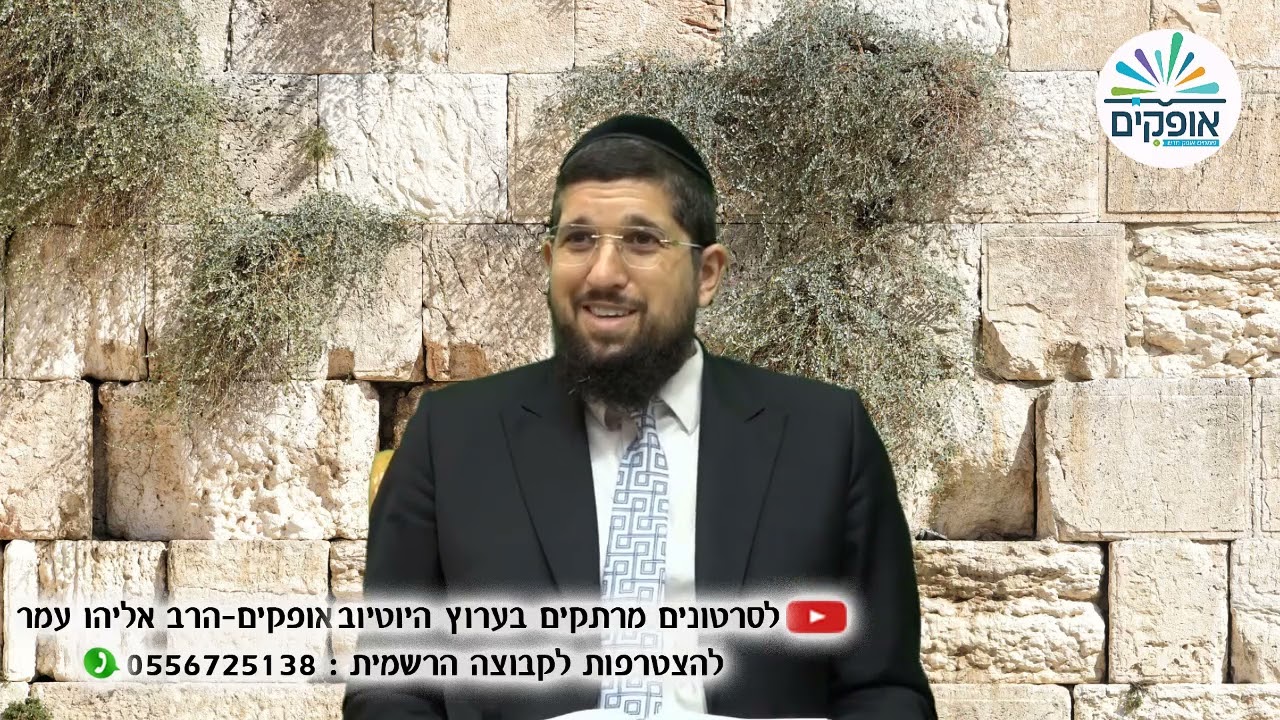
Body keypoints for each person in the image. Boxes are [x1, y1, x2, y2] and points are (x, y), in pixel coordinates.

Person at [343, 114, 937, 720]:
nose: (603, 273)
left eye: (642, 241)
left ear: (707, 274)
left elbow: (884, 692)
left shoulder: (826, 437)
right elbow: (391, 688)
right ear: (549, 261)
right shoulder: (452, 439)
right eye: (579, 240)